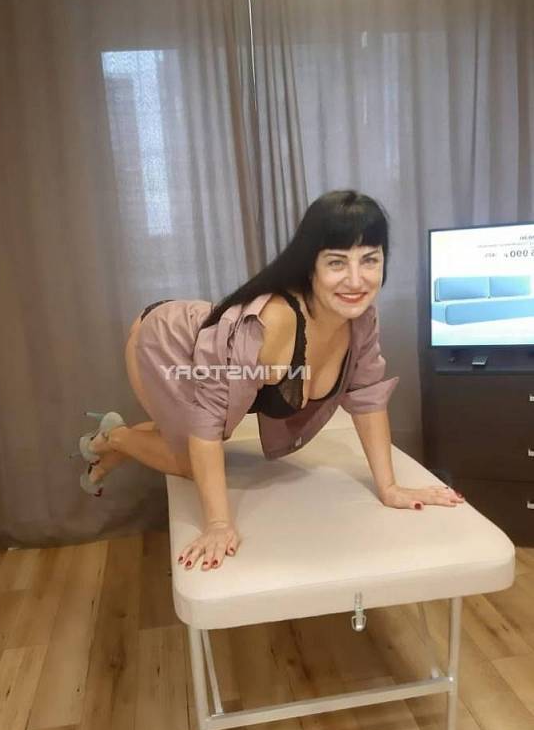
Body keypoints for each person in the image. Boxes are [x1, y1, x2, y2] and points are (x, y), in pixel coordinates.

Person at [78, 190, 464, 572]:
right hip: (167, 342)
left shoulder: (360, 318)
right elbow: (207, 421)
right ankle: (116, 438)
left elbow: (367, 396)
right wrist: (218, 525)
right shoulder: (273, 324)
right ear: (310, 266)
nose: (355, 279)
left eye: (369, 260)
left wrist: (389, 488)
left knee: (180, 436)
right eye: (336, 262)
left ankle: (111, 441)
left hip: (206, 335)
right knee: (189, 462)